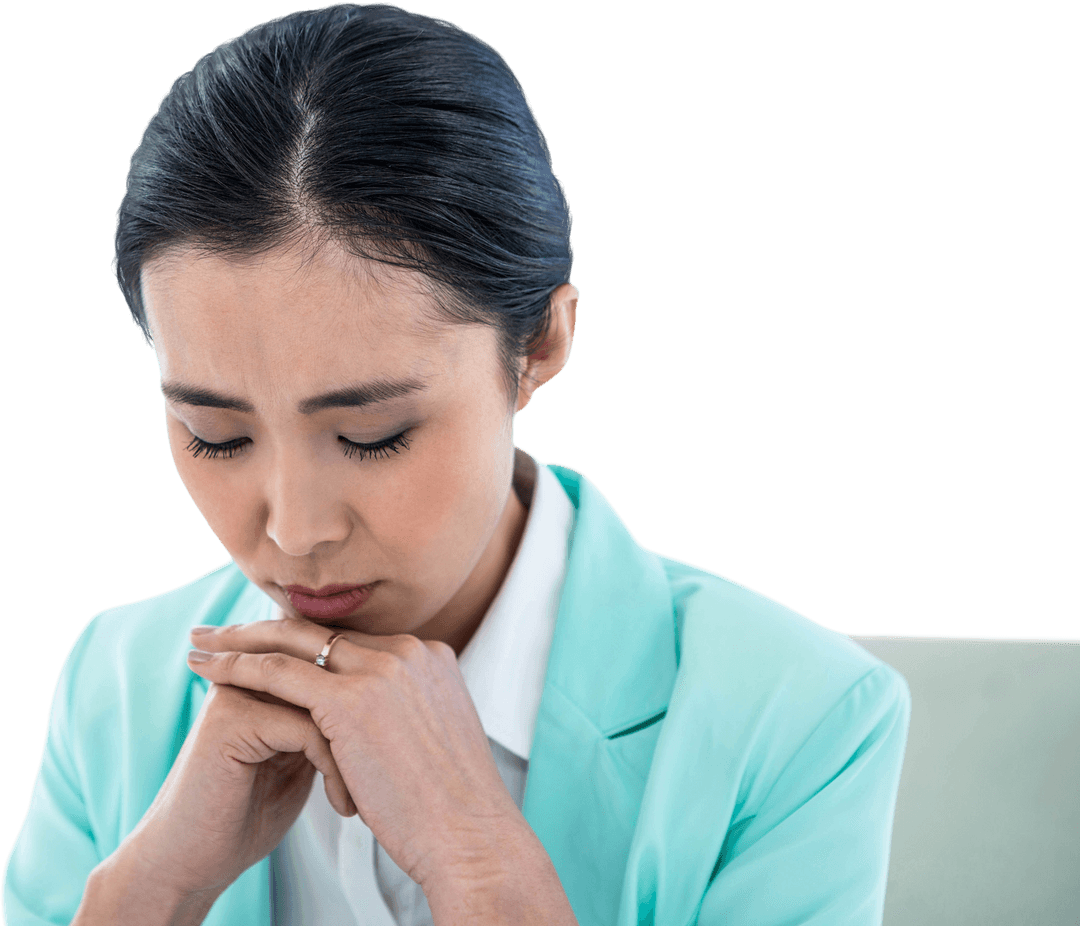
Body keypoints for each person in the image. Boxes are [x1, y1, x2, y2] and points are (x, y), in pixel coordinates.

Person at [1, 4, 912, 925]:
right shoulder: (115, 681)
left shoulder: (802, 722)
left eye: (373, 435)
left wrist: (478, 863)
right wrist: (151, 889)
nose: (295, 531)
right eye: (216, 435)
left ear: (541, 345)